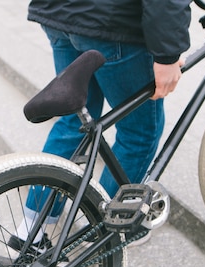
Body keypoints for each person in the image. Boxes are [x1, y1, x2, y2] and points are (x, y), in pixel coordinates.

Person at [12, 0, 192, 250]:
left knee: (74, 121)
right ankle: (100, 230)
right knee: (139, 132)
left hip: (60, 13)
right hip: (112, 22)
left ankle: (30, 229)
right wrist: (167, 55)